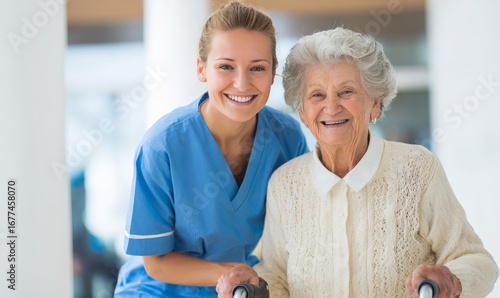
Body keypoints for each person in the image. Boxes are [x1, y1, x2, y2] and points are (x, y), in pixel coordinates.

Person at [216, 27, 499, 298]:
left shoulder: (417, 169)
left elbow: (477, 261)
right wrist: (254, 287)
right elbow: (277, 276)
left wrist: (451, 279)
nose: (331, 107)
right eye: (317, 95)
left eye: (346, 92)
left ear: (375, 103)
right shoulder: (285, 183)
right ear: (302, 112)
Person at [113, 2, 309, 297]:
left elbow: (300, 231)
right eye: (226, 67)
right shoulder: (162, 146)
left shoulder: (287, 138)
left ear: (273, 74)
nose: (242, 83)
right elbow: (156, 262)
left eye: (257, 68)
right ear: (201, 68)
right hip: (156, 289)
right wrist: (232, 273)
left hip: (240, 288)